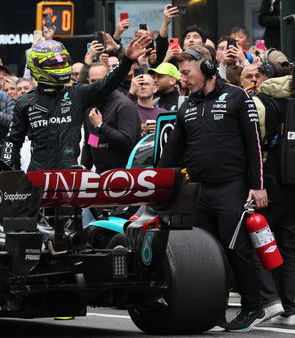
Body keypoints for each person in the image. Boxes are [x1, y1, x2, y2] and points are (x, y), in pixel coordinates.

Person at [158, 45, 268, 332]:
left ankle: (253, 307)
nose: (182, 78)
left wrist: (257, 186)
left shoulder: (237, 97)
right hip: (197, 189)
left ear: (206, 68)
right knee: (205, 255)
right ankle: (214, 311)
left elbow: (253, 145)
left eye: (186, 72)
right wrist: (157, 185)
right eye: (180, 73)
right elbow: (172, 152)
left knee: (237, 250)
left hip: (232, 187)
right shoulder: (187, 105)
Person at [1, 36, 152, 171]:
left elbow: (106, 84)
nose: (60, 67)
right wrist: (13, 178)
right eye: (53, 64)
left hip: (70, 178)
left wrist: (126, 60)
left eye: (62, 62)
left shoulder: (77, 94)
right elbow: (12, 142)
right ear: (37, 67)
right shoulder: (24, 102)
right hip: (38, 178)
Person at [254, 48, 295, 326]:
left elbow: (253, 146)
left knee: (258, 242)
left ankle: (270, 302)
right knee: (290, 244)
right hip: (293, 182)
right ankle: (291, 309)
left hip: (268, 183)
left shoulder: (260, 101)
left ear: (266, 74)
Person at [81, 63, 141, 173]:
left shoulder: (123, 105)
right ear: (88, 81)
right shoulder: (90, 106)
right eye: (93, 81)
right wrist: (83, 170)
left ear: (109, 80)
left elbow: (127, 143)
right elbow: (91, 142)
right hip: (100, 173)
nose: (97, 85)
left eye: (100, 80)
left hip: (125, 173)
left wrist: (100, 126)